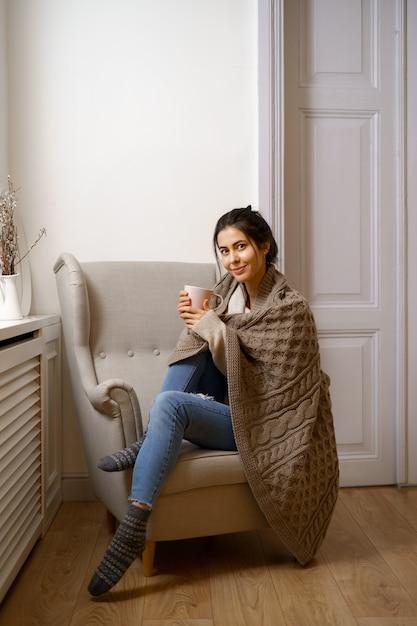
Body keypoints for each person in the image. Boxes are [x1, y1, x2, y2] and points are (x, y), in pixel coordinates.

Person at [88, 206, 339, 597]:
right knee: (196, 347)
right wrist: (201, 325)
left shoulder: (291, 310)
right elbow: (224, 364)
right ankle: (148, 458)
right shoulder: (225, 296)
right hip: (233, 410)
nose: (232, 258)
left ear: (264, 246)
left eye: (241, 247)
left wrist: (210, 327)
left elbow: (266, 389)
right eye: (224, 251)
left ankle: (134, 524)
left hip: (262, 424)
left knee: (172, 403)